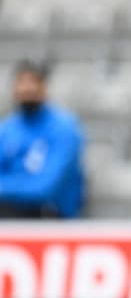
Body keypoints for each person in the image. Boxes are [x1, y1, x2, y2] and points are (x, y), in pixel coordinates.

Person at [0, 60, 86, 218]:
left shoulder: (64, 128)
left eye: (33, 83)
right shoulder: (6, 129)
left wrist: (5, 187)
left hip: (52, 214)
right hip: (9, 210)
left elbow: (45, 188)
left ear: (44, 88)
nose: (26, 89)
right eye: (21, 83)